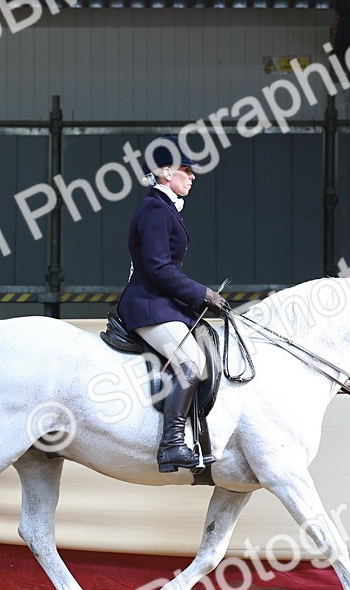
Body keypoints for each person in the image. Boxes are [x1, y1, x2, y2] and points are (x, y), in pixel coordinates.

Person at [118, 136, 229, 473]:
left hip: (161, 301)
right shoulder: (154, 209)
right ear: (166, 172)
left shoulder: (164, 208)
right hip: (147, 303)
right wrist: (203, 294)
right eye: (187, 170)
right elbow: (158, 268)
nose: (193, 176)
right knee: (190, 363)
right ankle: (171, 445)